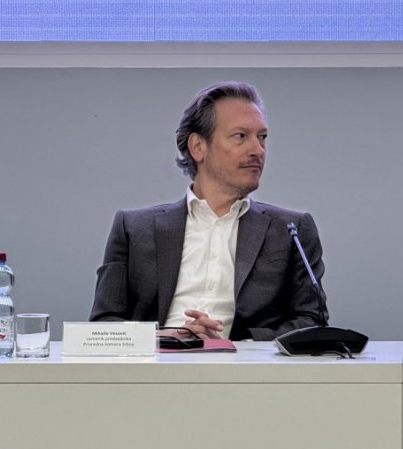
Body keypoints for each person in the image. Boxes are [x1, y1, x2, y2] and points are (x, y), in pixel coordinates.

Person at [90, 81, 327, 340]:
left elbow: (312, 320)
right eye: (241, 136)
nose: (257, 150)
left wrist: (233, 343)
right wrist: (165, 337)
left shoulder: (292, 230)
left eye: (262, 137)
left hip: (246, 361)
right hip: (158, 360)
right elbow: (104, 322)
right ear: (198, 147)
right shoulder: (134, 228)